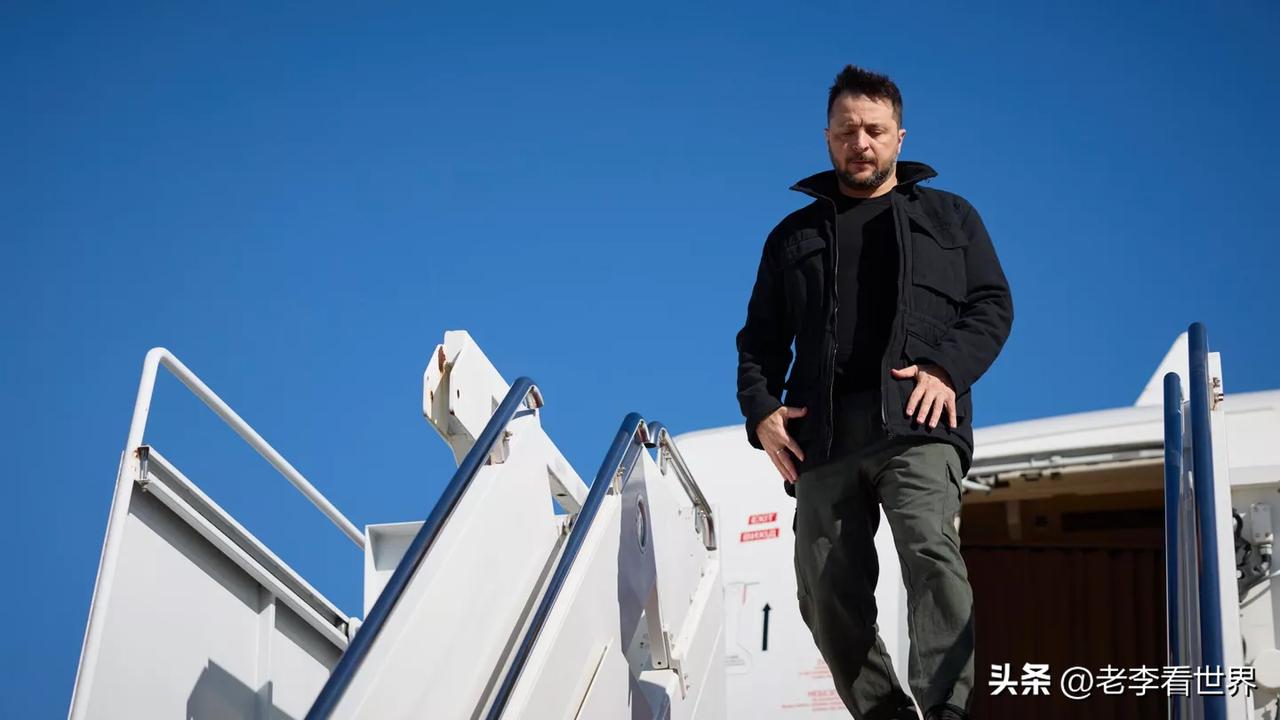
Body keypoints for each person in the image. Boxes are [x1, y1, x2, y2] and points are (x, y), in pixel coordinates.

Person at [734, 64, 1014, 720]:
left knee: (930, 553)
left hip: (917, 422)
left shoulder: (951, 217)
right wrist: (762, 410)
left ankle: (947, 710)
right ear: (827, 138)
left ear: (899, 137)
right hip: (823, 437)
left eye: (875, 130)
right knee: (823, 589)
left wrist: (946, 370)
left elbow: (992, 305)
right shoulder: (792, 237)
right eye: (846, 131)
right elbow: (760, 340)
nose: (860, 142)